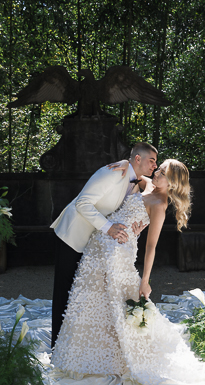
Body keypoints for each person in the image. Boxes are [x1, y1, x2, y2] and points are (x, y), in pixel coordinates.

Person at [51, 159, 197, 383]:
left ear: (173, 183)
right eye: (158, 169)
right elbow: (133, 171)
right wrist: (124, 162)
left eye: (162, 172)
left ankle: (119, 357)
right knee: (90, 298)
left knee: (115, 298)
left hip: (119, 249)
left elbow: (151, 245)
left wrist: (145, 280)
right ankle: (87, 353)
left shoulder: (160, 201)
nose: (156, 173)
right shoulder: (148, 183)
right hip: (100, 243)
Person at [50, 142, 158, 347]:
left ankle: (75, 344)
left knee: (79, 292)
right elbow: (83, 203)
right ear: (137, 159)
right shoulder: (111, 173)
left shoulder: (133, 178)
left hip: (93, 240)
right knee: (64, 291)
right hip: (72, 234)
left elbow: (152, 187)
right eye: (151, 160)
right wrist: (108, 227)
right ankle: (57, 344)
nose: (154, 165)